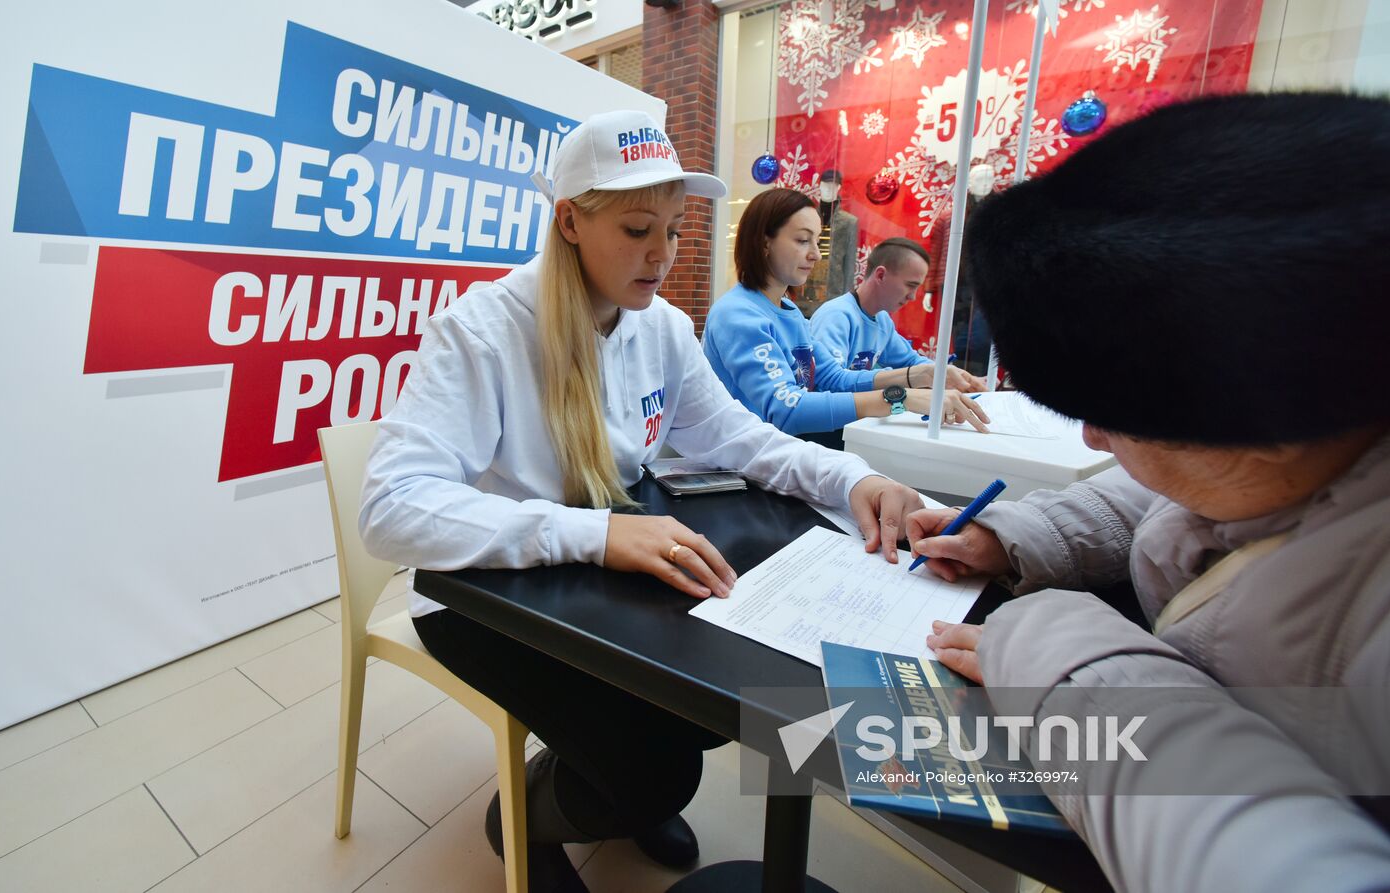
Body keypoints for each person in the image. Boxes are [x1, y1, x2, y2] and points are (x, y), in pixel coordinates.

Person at [359, 110, 926, 893]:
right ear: (568, 222)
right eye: (635, 230)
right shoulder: (481, 331)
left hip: (594, 577)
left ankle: (607, 787)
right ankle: (527, 818)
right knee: (657, 769)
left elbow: (739, 436)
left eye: (673, 229)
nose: (662, 254)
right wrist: (592, 534)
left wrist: (852, 480)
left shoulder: (659, 325)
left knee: (707, 704)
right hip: (482, 597)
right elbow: (391, 507)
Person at [905, 92, 1390, 891]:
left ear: (1263, 420)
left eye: (1114, 416)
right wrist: (1016, 534)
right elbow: (1177, 502)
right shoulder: (1308, 456)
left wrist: (1053, 657)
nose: (1094, 440)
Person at [702, 188, 989, 445]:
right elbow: (786, 409)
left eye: (817, 241)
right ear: (764, 242)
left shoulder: (789, 311)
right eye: (803, 240)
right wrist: (901, 398)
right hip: (739, 463)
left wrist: (922, 374)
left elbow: (833, 377)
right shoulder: (738, 314)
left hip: (779, 450)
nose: (816, 254)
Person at [810, 236, 986, 392]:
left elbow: (911, 361)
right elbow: (830, 382)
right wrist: (906, 377)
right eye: (910, 285)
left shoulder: (882, 320)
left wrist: (961, 377)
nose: (912, 296)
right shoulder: (835, 316)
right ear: (880, 275)